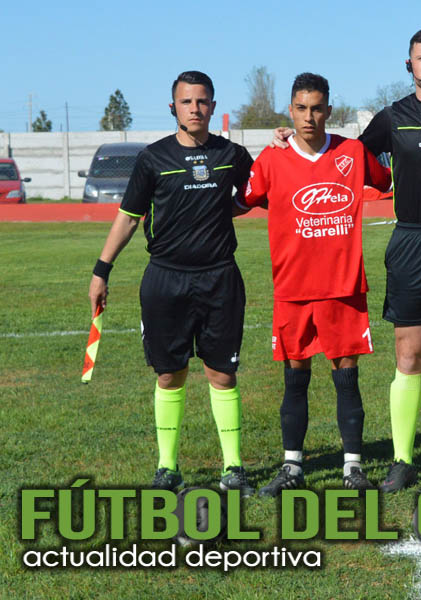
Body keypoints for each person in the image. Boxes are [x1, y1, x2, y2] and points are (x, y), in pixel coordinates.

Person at [275, 28, 421, 492]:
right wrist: (291, 138)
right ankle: (401, 461)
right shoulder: (392, 117)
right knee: (409, 355)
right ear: (408, 65)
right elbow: (342, 152)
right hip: (412, 241)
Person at [88, 71, 255, 496]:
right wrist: (102, 270)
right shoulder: (153, 158)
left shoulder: (232, 155)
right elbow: (128, 218)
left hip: (220, 278)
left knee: (222, 374)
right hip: (166, 280)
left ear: (213, 106)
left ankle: (233, 468)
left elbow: (257, 193)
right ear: (173, 108)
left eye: (202, 101)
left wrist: (280, 147)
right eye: (186, 102)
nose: (195, 109)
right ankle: (167, 468)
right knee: (169, 374)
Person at [240, 73, 391, 496]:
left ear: (329, 110)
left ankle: (352, 468)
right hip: (293, 287)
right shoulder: (272, 159)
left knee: (347, 377)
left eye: (317, 108)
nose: (309, 117)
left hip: (343, 285)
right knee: (295, 378)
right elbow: (242, 198)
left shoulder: (352, 152)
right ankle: (292, 468)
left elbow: (385, 181)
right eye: (302, 108)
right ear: (290, 110)